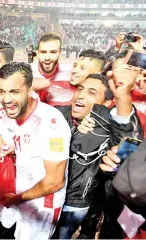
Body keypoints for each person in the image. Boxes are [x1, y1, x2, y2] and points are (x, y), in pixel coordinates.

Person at [0, 62, 71, 239]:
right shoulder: (9, 113)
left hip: (41, 203)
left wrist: (17, 198)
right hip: (18, 194)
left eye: (14, 92)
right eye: (2, 91)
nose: (6, 99)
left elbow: (55, 181)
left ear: (30, 90)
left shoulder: (52, 122)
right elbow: (7, 143)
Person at [52, 70, 143, 239]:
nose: (80, 95)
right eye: (79, 89)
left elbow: (130, 141)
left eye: (91, 93)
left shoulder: (110, 128)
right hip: (47, 199)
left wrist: (122, 97)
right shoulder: (56, 114)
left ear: (107, 102)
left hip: (77, 205)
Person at [33, 33, 73, 106]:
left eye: (53, 52)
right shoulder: (26, 73)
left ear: (60, 53)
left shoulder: (71, 74)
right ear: (38, 53)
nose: (47, 57)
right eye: (43, 52)